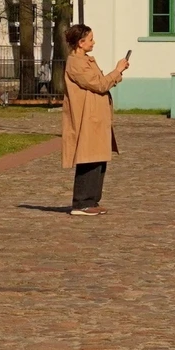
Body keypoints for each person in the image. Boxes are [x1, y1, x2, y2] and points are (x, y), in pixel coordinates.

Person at [61, 24, 126, 216]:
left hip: (95, 116)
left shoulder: (86, 60)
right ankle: (81, 202)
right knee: (88, 159)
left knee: (98, 159)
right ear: (80, 43)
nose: (93, 42)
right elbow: (99, 84)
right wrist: (117, 71)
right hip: (86, 118)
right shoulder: (76, 63)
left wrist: (117, 73)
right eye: (90, 39)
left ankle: (92, 200)